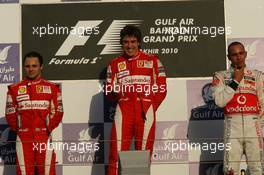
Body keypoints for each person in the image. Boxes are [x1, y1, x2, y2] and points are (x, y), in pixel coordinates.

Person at [105, 25, 167, 175]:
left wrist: (150, 107)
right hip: (124, 111)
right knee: (116, 154)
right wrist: (116, 93)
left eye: (133, 41)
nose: (129, 45)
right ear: (122, 43)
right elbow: (108, 91)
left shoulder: (152, 61)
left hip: (145, 112)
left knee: (143, 156)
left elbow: (161, 89)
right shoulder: (114, 64)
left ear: (139, 42)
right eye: (126, 42)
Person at [5, 51, 64, 175]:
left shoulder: (53, 88)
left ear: (41, 66)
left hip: (44, 137)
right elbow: (10, 115)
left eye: (34, 66)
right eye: (27, 66)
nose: (31, 69)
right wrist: (21, 130)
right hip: (23, 138)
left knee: (48, 172)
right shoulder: (14, 89)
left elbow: (58, 112)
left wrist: (47, 128)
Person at [212, 42, 264, 175]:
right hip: (232, 129)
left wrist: (260, 127)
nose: (238, 57)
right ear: (229, 57)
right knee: (230, 171)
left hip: (253, 128)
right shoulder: (220, 76)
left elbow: (263, 103)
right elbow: (219, 101)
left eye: (241, 53)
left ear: (246, 54)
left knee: (258, 170)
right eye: (234, 54)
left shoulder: (257, 75)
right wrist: (235, 81)